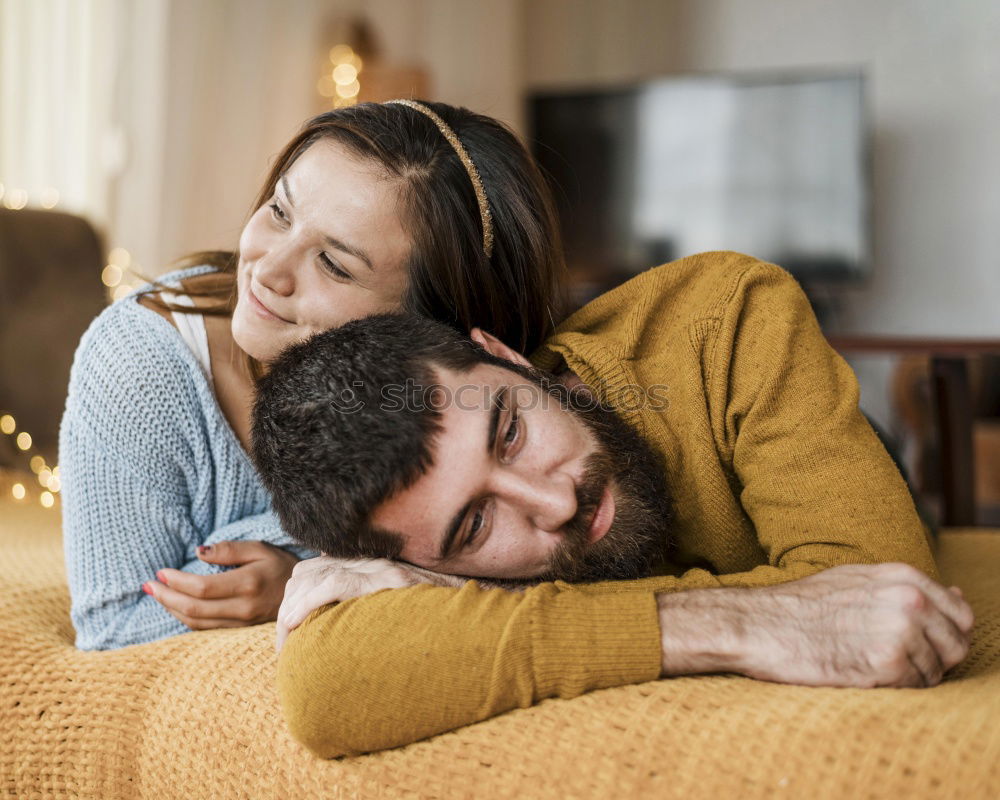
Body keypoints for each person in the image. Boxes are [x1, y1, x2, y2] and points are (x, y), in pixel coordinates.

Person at [251, 251, 974, 757]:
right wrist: (739, 623)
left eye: (509, 431)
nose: (556, 500)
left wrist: (481, 608)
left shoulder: (724, 317)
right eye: (475, 525)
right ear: (415, 561)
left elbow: (880, 595)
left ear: (502, 355)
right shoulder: (393, 533)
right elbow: (324, 688)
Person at [59, 99, 566, 650]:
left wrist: (299, 568)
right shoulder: (138, 363)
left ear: (426, 327)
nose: (267, 269)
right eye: (280, 212)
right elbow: (111, 630)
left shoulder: (481, 402)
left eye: (334, 264)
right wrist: (308, 571)